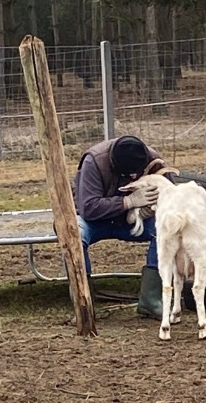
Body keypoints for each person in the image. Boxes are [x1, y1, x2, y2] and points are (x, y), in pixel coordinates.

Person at [72, 135, 172, 318]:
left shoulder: (152, 160)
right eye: (128, 176)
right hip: (94, 222)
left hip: (135, 222)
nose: (133, 177)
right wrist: (128, 201)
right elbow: (88, 207)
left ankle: (151, 300)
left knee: (166, 229)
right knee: (74, 235)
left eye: (137, 173)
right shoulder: (94, 161)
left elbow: (173, 197)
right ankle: (84, 303)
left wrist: (150, 210)